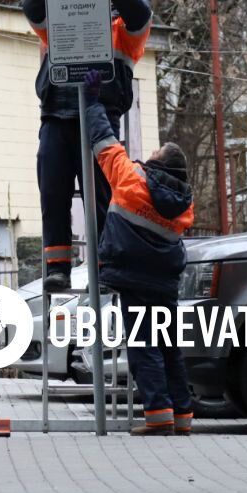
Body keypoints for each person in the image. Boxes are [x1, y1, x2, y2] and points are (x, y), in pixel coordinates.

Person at [22, 0, 153, 291]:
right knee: (53, 192)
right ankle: (58, 267)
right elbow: (32, 7)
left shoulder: (124, 30)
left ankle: (104, 265)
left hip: (99, 121)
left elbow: (141, 12)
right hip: (56, 115)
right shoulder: (62, 21)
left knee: (102, 196)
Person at [83, 71, 196, 436]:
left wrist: (92, 99)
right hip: (164, 283)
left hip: (132, 278)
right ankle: (182, 416)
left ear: (158, 164)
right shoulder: (183, 206)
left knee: (143, 344)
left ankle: (158, 416)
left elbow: (103, 141)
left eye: (153, 154)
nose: (146, 155)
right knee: (168, 346)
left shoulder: (131, 179)